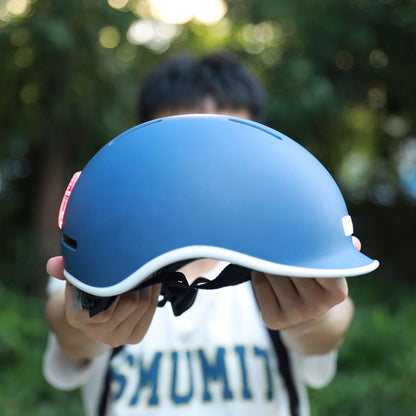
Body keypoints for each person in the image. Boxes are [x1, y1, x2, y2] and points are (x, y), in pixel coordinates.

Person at [43, 51, 356, 416]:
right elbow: (68, 328)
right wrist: (89, 315)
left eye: (223, 150)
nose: (202, 174)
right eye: (181, 152)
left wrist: (312, 315)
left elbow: (330, 324)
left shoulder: (277, 258)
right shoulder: (109, 256)